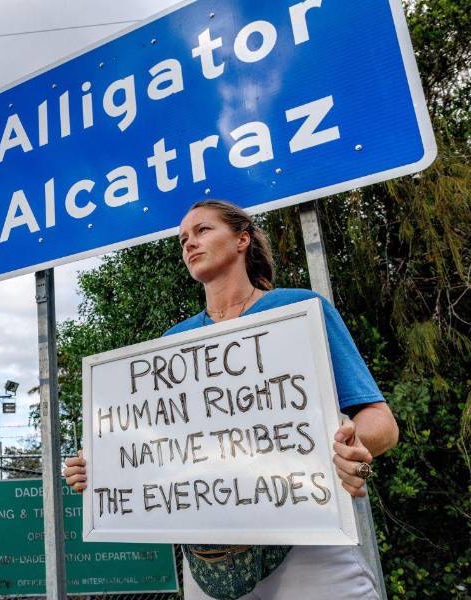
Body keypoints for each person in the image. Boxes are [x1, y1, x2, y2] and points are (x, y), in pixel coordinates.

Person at [63, 199, 399, 599]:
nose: (189, 243)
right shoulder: (173, 341)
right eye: (183, 238)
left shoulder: (299, 309)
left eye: (202, 231)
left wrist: (353, 446)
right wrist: (102, 469)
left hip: (310, 544)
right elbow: (159, 452)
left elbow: (381, 421)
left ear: (242, 239)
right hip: (208, 557)